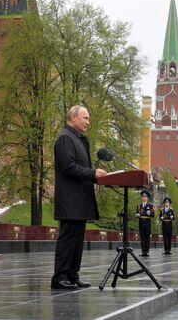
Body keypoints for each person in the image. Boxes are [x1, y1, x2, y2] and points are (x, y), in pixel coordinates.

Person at [52, 105, 107, 290]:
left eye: (88, 118)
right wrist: (92, 173)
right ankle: (59, 277)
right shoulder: (65, 138)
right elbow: (68, 166)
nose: (88, 122)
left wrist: (95, 175)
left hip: (80, 199)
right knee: (68, 239)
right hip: (69, 200)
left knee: (77, 241)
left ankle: (72, 275)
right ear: (73, 118)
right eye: (85, 118)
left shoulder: (78, 139)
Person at [136, 189, 155, 257]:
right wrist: (137, 215)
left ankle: (146, 251)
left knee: (147, 238)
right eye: (143, 196)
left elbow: (153, 215)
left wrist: (150, 213)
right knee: (142, 238)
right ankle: (143, 251)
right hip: (141, 223)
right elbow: (137, 213)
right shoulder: (139, 205)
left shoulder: (150, 206)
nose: (144, 198)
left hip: (147, 223)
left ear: (147, 198)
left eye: (145, 196)